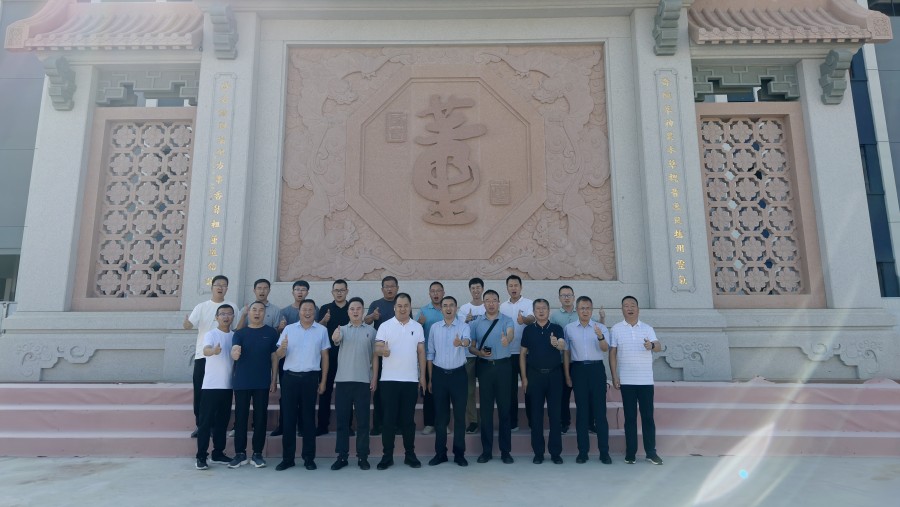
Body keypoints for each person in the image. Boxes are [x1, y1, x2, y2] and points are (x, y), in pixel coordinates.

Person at [274, 299, 330, 471]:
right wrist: (282, 349)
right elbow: (278, 354)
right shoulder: (289, 329)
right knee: (289, 419)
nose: (307, 312)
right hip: (290, 379)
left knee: (308, 419)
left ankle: (308, 458)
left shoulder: (322, 330)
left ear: (315, 312)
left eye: (310, 309)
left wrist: (323, 381)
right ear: (299, 311)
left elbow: (325, 357)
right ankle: (288, 458)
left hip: (310, 378)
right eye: (304, 309)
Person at [373, 293, 426, 470]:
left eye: (406, 306)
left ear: (410, 307)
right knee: (388, 420)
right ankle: (387, 456)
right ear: (394, 307)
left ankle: (410, 455)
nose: (403, 309)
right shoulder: (385, 326)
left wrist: (422, 376)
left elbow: (421, 352)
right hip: (389, 381)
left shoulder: (417, 327)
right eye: (400, 305)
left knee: (408, 421)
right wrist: (382, 352)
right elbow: (377, 348)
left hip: (410, 380)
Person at [609, 296, 663, 465]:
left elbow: (658, 345)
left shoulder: (647, 328)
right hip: (627, 380)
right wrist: (614, 376)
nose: (630, 308)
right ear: (622, 310)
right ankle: (630, 453)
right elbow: (612, 353)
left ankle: (651, 452)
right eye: (626, 305)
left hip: (645, 380)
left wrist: (651, 346)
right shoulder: (616, 329)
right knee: (630, 418)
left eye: (633, 305)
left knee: (648, 417)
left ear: (638, 309)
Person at [184, 275, 236, 438]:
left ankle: (217, 427)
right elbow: (188, 325)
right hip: (203, 355)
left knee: (221, 393)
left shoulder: (232, 306)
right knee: (200, 391)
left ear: (227, 288)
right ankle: (200, 425)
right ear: (212, 287)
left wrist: (242, 317)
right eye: (217, 285)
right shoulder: (202, 306)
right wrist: (186, 323)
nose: (220, 287)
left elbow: (236, 329)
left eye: (224, 285)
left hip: (224, 358)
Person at [228, 301, 279, 469]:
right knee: (241, 418)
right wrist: (235, 353)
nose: (257, 313)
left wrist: (274, 379)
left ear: (265, 313)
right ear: (249, 313)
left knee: (260, 418)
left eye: (261, 310)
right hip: (242, 381)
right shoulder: (240, 333)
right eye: (254, 310)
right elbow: (234, 350)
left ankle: (257, 453)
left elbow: (274, 357)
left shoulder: (271, 333)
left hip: (262, 382)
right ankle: (240, 453)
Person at [330, 297, 377, 471]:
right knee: (342, 422)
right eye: (352, 309)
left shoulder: (371, 331)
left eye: (358, 308)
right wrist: (335, 337)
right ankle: (342, 456)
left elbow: (375, 356)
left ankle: (362, 456)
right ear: (348, 312)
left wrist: (374, 377)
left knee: (363, 422)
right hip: (343, 381)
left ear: (363, 311)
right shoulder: (341, 330)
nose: (355, 311)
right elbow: (336, 340)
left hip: (363, 382)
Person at [469, 290, 515, 464]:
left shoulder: (506, 320)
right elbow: (471, 346)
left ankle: (505, 451)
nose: (491, 303)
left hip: (503, 368)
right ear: (483, 303)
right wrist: (479, 353)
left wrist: (507, 340)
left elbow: (510, 333)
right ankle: (486, 451)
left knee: (504, 410)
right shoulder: (476, 323)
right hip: (485, 368)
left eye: (494, 300)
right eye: (487, 300)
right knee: (486, 411)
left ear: (498, 302)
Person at [564, 296, 612, 464]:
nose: (585, 311)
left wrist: (600, 337)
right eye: (582, 308)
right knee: (582, 412)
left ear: (592, 310)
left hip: (596, 369)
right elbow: (566, 353)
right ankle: (582, 452)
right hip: (578, 370)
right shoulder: (569, 328)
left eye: (588, 308)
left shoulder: (601, 327)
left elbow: (605, 349)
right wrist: (567, 375)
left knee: (600, 412)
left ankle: (604, 452)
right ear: (577, 310)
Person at [520, 299, 566, 464]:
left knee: (555, 416)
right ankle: (538, 453)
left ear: (549, 310)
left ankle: (555, 453)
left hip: (554, 376)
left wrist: (557, 343)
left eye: (544, 308)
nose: (541, 311)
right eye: (538, 308)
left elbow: (562, 345)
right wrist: (524, 378)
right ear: (534, 311)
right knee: (536, 416)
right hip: (534, 376)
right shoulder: (528, 330)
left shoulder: (556, 328)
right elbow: (522, 354)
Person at [427, 295, 471, 467]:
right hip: (439, 375)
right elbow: (430, 353)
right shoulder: (434, 328)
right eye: (445, 305)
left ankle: (459, 454)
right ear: (441, 308)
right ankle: (440, 454)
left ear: (456, 307)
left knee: (459, 417)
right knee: (441, 417)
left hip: (458, 375)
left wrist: (461, 343)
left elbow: (467, 341)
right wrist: (430, 378)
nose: (448, 308)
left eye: (451, 305)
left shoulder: (463, 326)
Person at [195, 304, 235, 470]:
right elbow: (206, 350)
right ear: (216, 317)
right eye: (222, 314)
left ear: (233, 317)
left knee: (222, 423)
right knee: (205, 423)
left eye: (229, 314)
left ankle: (218, 453)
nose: (226, 317)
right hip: (211, 386)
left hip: (227, 386)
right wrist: (213, 351)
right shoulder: (211, 334)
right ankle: (201, 456)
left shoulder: (235, 336)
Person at [271, 280, 312, 437]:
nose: (300, 292)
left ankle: (302, 426)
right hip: (287, 360)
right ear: (292, 292)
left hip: (306, 360)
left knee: (304, 398)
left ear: (307, 292)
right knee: (286, 397)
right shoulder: (285, 311)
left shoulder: (314, 309)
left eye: (303, 289)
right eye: (297, 289)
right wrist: (280, 329)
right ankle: (283, 425)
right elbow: (279, 338)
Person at [316, 279, 351, 436]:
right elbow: (317, 330)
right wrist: (324, 321)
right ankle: (322, 426)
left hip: (348, 357)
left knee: (347, 393)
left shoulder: (352, 308)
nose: (339, 293)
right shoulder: (325, 308)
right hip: (328, 357)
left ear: (347, 291)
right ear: (332, 292)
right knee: (325, 391)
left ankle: (347, 426)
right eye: (336, 290)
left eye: (342, 290)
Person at [365, 276, 399, 436]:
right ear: (382, 289)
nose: (389, 289)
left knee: (396, 390)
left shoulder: (401, 303)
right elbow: (365, 321)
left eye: (392, 286)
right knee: (378, 391)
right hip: (380, 353)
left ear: (397, 288)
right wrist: (372, 317)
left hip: (398, 354)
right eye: (387, 286)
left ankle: (396, 424)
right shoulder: (376, 304)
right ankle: (377, 424)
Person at [499, 274, 534, 431]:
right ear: (507, 288)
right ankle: (513, 422)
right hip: (508, 354)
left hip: (526, 353)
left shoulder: (529, 303)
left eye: (516, 285)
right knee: (510, 390)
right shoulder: (502, 306)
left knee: (529, 388)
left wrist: (524, 320)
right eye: (510, 285)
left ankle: (533, 421)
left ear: (521, 287)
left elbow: (532, 318)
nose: (513, 288)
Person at [415, 281, 444, 435]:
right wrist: (419, 324)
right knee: (428, 391)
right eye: (433, 291)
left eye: (438, 291)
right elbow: (414, 332)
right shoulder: (423, 311)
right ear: (429, 294)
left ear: (443, 293)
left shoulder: (448, 308)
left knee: (443, 393)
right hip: (428, 358)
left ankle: (443, 423)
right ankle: (429, 423)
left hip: (445, 359)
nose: (436, 293)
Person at [457, 277, 485, 435]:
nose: (476, 290)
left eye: (478, 287)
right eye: (473, 288)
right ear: (470, 290)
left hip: (486, 355)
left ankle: (487, 419)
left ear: (482, 289)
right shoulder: (463, 309)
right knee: (469, 390)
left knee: (487, 389)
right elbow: (458, 331)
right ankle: (473, 421)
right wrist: (466, 321)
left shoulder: (488, 305)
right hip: (469, 355)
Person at [550, 285, 578, 434]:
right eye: (563, 295)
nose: (566, 298)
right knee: (563, 394)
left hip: (579, 360)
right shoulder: (555, 317)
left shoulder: (581, 312)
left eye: (569, 295)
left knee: (583, 394)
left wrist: (602, 319)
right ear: (559, 298)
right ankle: (564, 422)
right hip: (561, 361)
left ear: (574, 297)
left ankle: (588, 423)